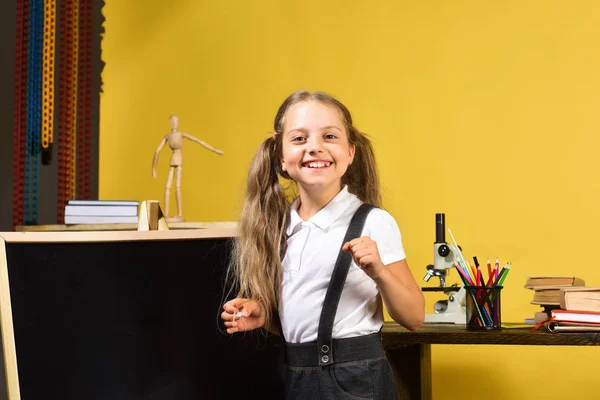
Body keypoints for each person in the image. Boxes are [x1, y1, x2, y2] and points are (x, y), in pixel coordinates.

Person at [221, 90, 425, 399]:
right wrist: (264, 314)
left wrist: (380, 272)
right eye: (299, 139)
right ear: (281, 158)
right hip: (296, 375)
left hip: (355, 378)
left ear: (350, 153)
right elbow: (303, 316)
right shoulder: (279, 228)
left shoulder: (372, 222)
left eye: (329, 136)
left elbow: (414, 317)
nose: (315, 147)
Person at [152, 115, 224, 222]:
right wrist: (154, 168)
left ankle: (179, 213)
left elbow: (198, 141)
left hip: (178, 159)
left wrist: (214, 150)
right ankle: (166, 214)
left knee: (177, 186)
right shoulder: (167, 137)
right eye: (172, 121)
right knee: (168, 187)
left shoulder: (180, 135)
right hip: (173, 160)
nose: (174, 123)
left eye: (175, 121)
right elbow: (157, 151)